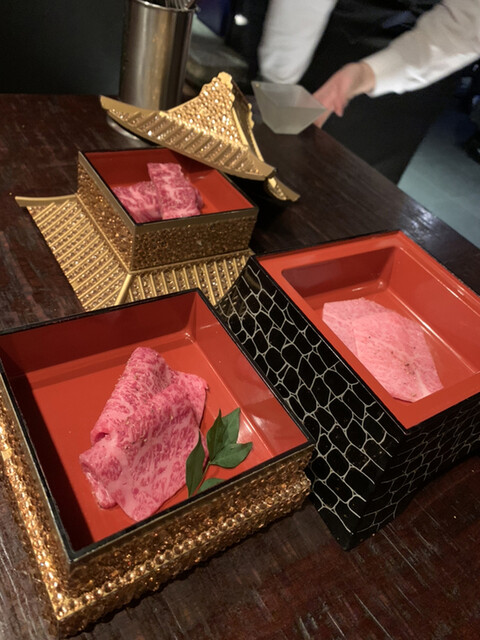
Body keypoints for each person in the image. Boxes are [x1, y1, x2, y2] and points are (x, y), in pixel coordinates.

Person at [258, 0, 480, 183]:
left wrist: (370, 74)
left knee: (358, 187)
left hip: (426, 63)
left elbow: (469, 23)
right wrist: (280, 81)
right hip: (323, 34)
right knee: (274, 164)